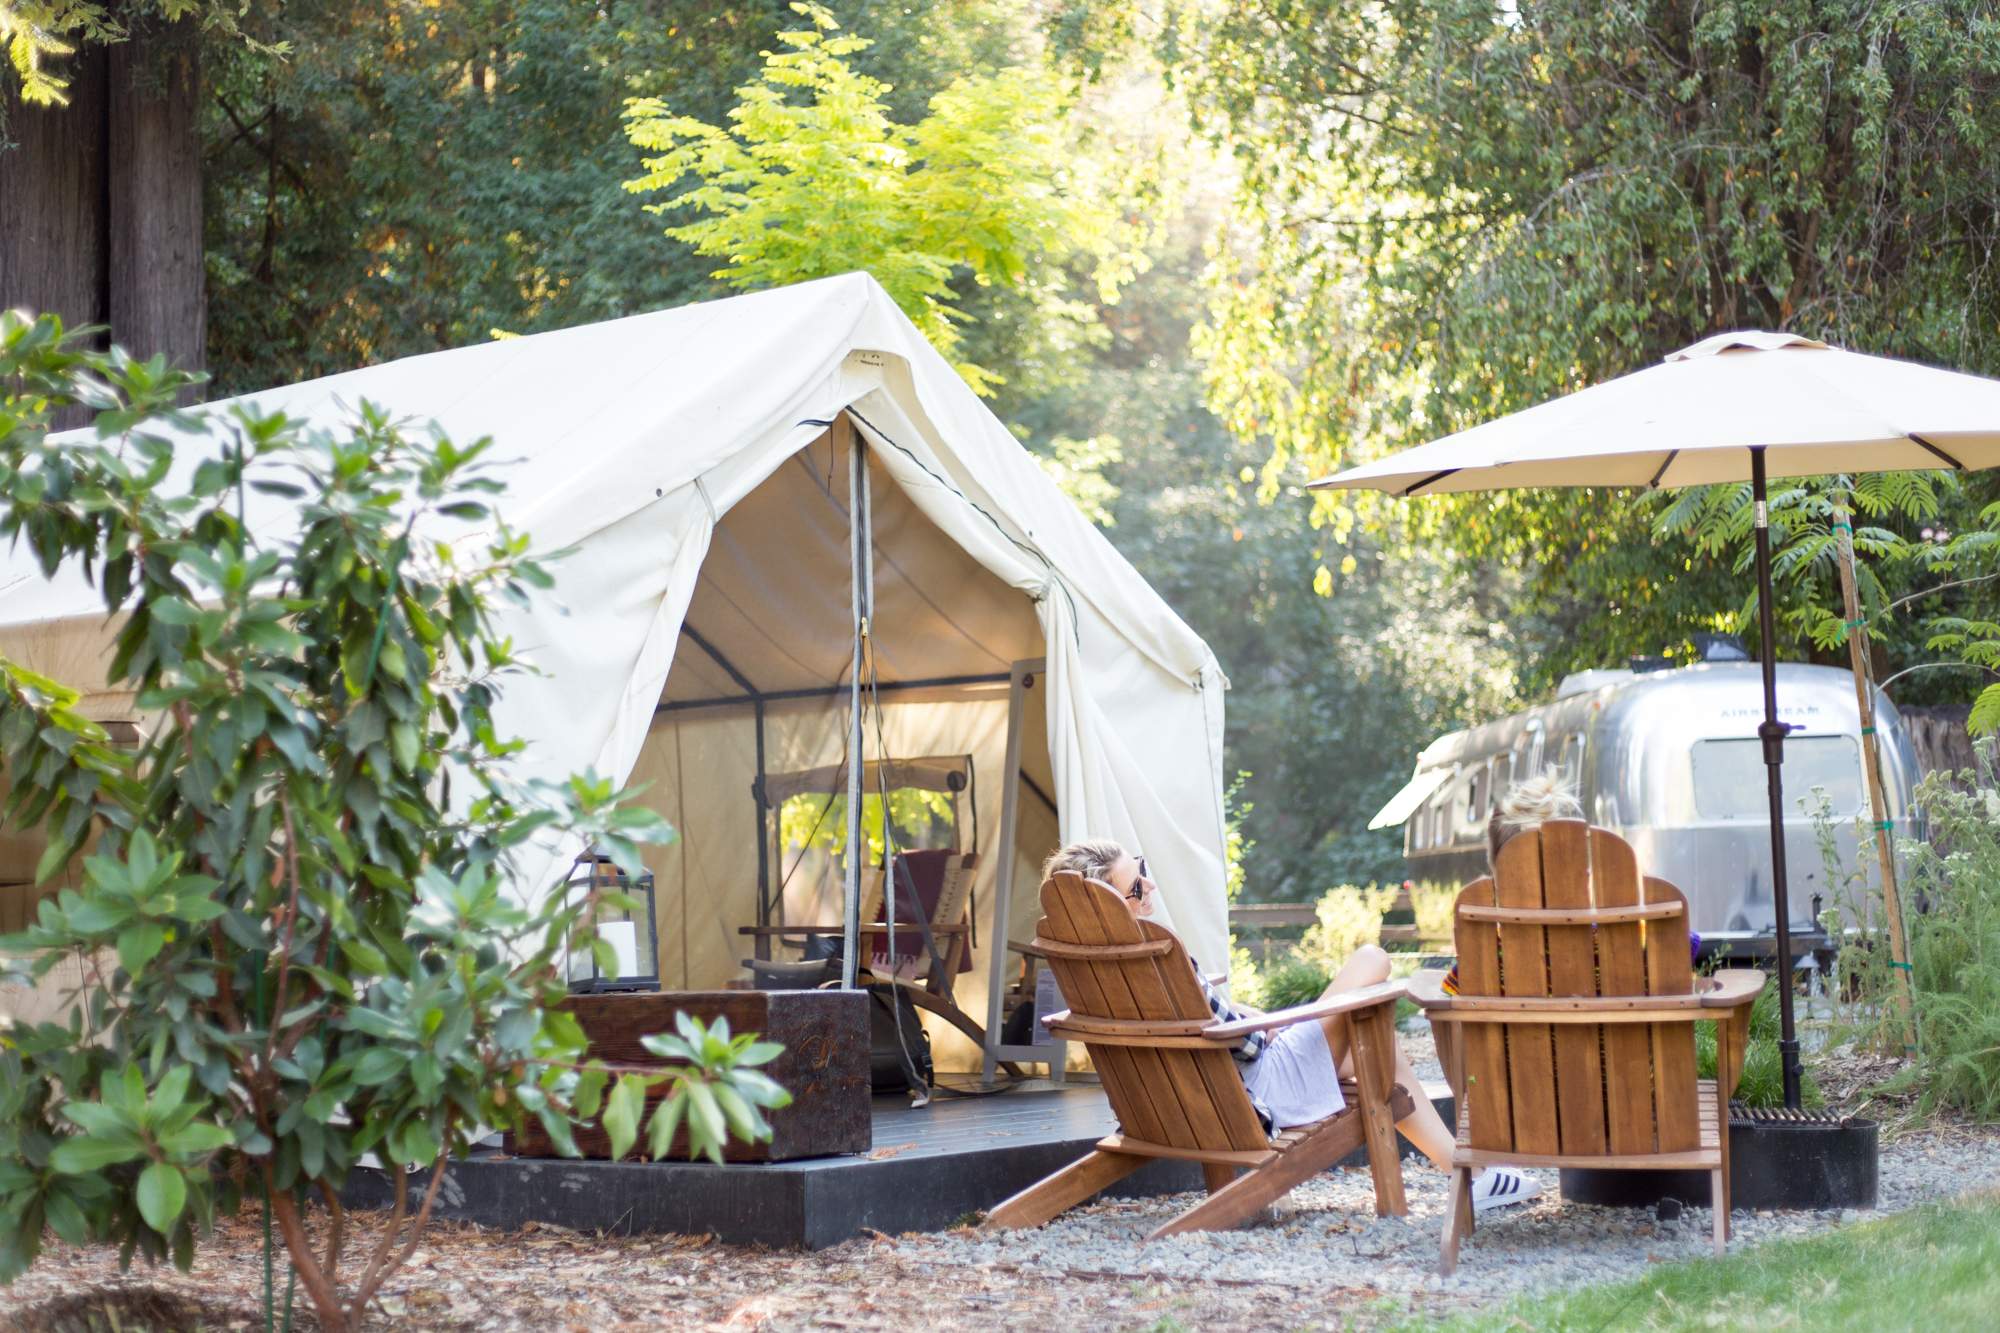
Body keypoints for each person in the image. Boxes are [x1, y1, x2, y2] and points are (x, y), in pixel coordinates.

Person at [1040, 840, 1538, 1213]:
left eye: (1143, 871)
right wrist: (1270, 1026)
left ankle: (1468, 1175)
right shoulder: (1158, 951)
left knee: (1377, 1052)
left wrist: (1248, 1018)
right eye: (1135, 886)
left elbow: (1201, 1024)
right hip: (1258, 1093)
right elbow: (1243, 1042)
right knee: (1371, 960)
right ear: (1111, 902)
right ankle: (1466, 1175)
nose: (1148, 886)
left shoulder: (1098, 964)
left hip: (1188, 1100)